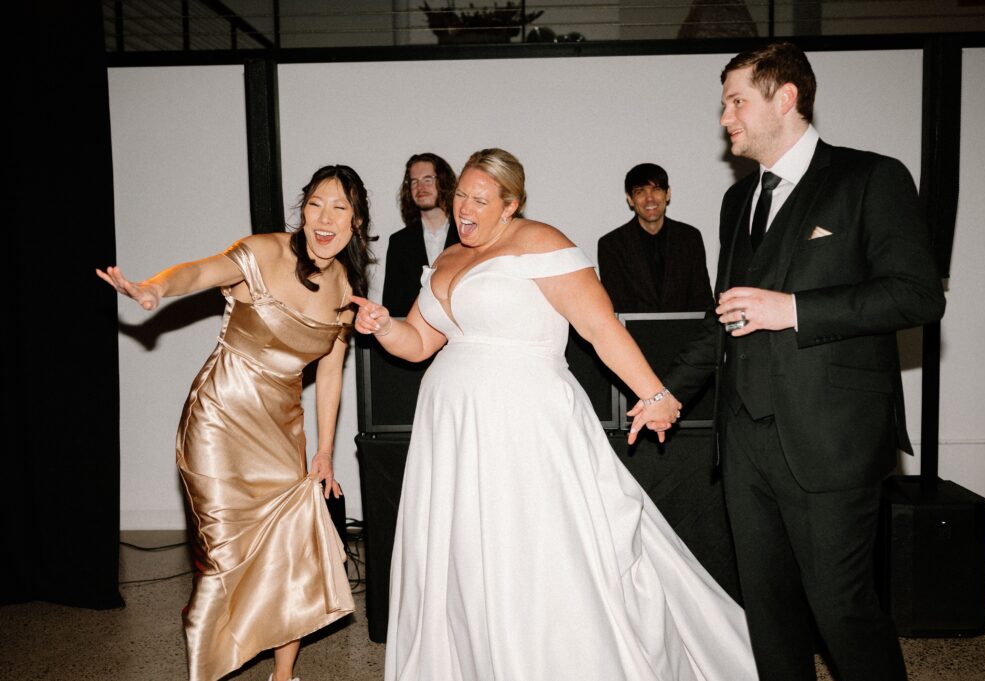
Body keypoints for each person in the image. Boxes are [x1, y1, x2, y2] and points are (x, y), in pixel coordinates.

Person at [352, 148, 757, 681]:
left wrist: (654, 394)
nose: (465, 209)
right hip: (452, 430)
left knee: (531, 549)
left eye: (480, 199)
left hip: (525, 426)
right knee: (468, 559)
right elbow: (418, 343)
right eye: (460, 199)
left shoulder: (541, 242)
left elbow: (601, 328)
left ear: (510, 204)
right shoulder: (447, 260)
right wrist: (383, 326)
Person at [661, 44, 946, 681]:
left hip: (831, 438)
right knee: (769, 613)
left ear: (785, 98)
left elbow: (918, 294)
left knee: (843, 610)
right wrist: (669, 392)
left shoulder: (870, 178)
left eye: (737, 100)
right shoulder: (739, 201)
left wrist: (794, 309)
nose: (725, 117)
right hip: (745, 444)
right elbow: (728, 314)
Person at [96, 165, 373, 681]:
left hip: (282, 428)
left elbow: (331, 370)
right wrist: (154, 289)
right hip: (219, 420)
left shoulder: (346, 285)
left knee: (293, 548)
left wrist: (325, 451)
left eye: (339, 207)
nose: (324, 218)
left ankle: (283, 675)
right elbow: (199, 273)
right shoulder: (265, 252)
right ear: (303, 209)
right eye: (315, 203)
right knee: (227, 557)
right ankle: (207, 667)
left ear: (356, 222)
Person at [598, 163, 714, 312]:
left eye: (656, 189)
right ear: (630, 199)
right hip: (632, 334)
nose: (649, 199)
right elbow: (616, 305)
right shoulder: (611, 245)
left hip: (687, 333)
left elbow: (702, 298)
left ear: (668, 194)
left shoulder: (690, 238)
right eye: (640, 192)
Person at [382, 153, 460, 313]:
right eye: (414, 182)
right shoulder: (399, 242)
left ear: (443, 181)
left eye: (428, 179)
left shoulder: (465, 236)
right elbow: (393, 308)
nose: (420, 187)